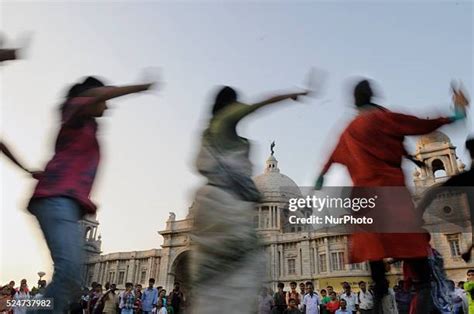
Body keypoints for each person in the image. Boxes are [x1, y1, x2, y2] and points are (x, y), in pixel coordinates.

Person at [315, 78, 469, 313]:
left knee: (376, 266)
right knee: (418, 265)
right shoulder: (383, 118)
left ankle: (380, 297)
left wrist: (322, 175)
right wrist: (456, 114)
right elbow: (419, 124)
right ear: (371, 95)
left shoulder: (349, 130)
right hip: (391, 196)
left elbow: (332, 155)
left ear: (355, 100)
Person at [27, 76, 155, 313]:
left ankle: (34, 308)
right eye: (104, 98)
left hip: (66, 203)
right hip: (56, 199)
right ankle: (30, 309)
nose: (107, 105)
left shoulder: (89, 127)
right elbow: (97, 97)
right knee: (69, 274)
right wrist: (140, 87)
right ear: (93, 95)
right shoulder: (73, 111)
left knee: (73, 280)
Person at [190, 85, 309, 314]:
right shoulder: (224, 123)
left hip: (211, 205)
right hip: (226, 207)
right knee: (240, 270)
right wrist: (288, 94)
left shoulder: (207, 134)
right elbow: (259, 103)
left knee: (212, 275)